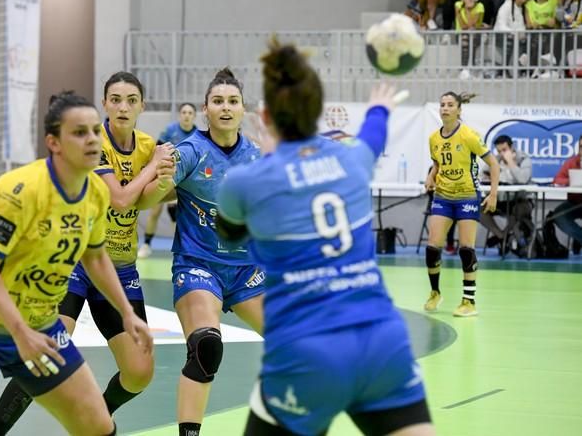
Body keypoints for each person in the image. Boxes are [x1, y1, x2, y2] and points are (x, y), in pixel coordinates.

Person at [216, 39, 435, 436]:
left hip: (306, 352)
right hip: (383, 343)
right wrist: (380, 107)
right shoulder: (353, 160)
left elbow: (229, 234)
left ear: (263, 116)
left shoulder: (245, 181)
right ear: (319, 113)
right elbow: (374, 133)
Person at [0, 92, 153, 436]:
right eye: (80, 132)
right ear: (54, 142)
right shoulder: (17, 190)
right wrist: (21, 333)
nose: (93, 139)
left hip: (42, 328)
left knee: (98, 427)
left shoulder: (95, 192)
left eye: (95, 130)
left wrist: (126, 311)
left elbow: (95, 256)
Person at [0, 73, 175, 435]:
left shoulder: (148, 145)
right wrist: (152, 168)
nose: (123, 106)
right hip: (73, 261)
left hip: (117, 267)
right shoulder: (93, 141)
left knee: (139, 372)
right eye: (115, 99)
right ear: (104, 104)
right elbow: (118, 198)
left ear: (142, 107)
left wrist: (165, 180)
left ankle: (96, 418)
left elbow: (142, 200)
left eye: (131, 100)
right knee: (46, 356)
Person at [166, 68, 265, 436]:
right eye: (218, 101)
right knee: (206, 347)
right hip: (198, 265)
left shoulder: (256, 157)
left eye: (233, 101)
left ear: (243, 110)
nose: (225, 108)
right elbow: (148, 197)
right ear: (206, 110)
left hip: (247, 270)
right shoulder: (190, 150)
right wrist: (152, 182)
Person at [424, 92, 500, 317]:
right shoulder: (433, 139)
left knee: (466, 249)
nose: (445, 108)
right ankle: (435, 293)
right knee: (432, 247)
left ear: (459, 110)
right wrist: (431, 176)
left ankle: (469, 302)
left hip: (467, 196)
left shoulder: (468, 135)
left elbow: (494, 165)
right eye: (442, 105)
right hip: (443, 197)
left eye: (450, 105)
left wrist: (493, 194)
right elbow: (438, 164)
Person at [139, 102, 199, 259]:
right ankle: (146, 244)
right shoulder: (171, 131)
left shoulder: (197, 135)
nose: (186, 115)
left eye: (190, 113)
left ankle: (184, 248)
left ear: (194, 116)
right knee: (155, 210)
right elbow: (158, 151)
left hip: (185, 181)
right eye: (184, 112)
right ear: (180, 115)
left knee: (180, 214)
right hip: (166, 175)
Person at [480, 134, 533, 254]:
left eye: (504, 150)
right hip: (501, 200)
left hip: (521, 201)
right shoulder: (495, 160)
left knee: (518, 212)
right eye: (499, 151)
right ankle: (502, 237)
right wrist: (486, 178)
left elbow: (523, 179)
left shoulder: (524, 159)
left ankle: (503, 238)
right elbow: (482, 175)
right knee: (478, 209)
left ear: (512, 147)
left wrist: (510, 162)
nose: (501, 154)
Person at [552, 135, 582, 252]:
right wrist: (572, 181)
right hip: (574, 203)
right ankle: (579, 237)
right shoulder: (571, 162)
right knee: (559, 215)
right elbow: (557, 180)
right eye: (581, 147)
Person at [494, 0, 530, 76]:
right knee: (511, 38)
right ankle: (503, 70)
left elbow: (522, 28)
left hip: (515, 37)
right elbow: (501, 26)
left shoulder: (523, 8)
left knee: (529, 40)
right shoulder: (506, 6)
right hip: (501, 37)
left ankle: (523, 70)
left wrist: (522, 35)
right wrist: (516, 33)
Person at [456, 0, 488, 80]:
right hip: (461, 35)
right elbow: (463, 26)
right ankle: (465, 68)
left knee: (470, 36)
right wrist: (462, 11)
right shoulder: (457, 4)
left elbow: (470, 25)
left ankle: (469, 67)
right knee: (466, 37)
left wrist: (468, 10)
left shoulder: (480, 6)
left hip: (476, 34)